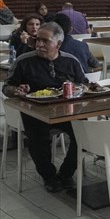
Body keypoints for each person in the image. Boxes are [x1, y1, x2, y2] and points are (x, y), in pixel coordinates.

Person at [2, 22, 88, 193]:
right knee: (37, 139)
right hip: (35, 114)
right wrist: (16, 90)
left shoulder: (70, 62)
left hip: (67, 112)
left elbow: (84, 85)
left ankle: (66, 173)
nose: (39, 44)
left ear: (59, 44)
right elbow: (7, 87)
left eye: (45, 41)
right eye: (37, 40)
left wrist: (77, 89)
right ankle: (48, 176)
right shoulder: (24, 61)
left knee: (84, 134)